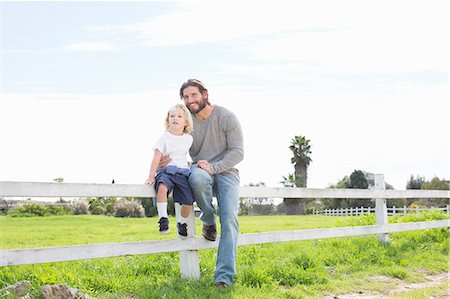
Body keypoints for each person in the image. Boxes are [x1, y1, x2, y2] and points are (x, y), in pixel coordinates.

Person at [160, 79, 244, 287]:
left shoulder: (226, 117)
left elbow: (238, 152)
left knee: (230, 220)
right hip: (199, 169)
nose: (190, 100)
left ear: (205, 94)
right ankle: (208, 218)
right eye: (186, 97)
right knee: (196, 177)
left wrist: (214, 167)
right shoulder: (186, 123)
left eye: (194, 95)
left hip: (226, 172)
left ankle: (223, 278)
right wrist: (164, 160)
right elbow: (172, 145)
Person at [145, 104, 195, 240]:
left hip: (183, 173)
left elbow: (186, 156)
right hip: (166, 171)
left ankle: (181, 223)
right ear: (168, 121)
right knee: (161, 188)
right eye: (172, 116)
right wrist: (151, 176)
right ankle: (163, 219)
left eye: (179, 116)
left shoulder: (188, 139)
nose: (175, 118)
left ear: (186, 122)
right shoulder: (163, 138)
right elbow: (156, 157)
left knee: (188, 202)